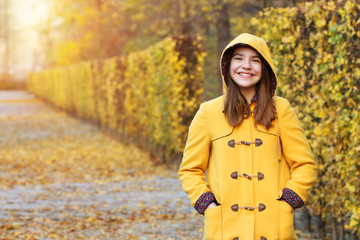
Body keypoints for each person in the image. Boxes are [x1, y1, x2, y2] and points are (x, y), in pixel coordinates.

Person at [178, 33, 318, 240]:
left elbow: (305, 164)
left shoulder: (281, 109)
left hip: (273, 228)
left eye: (255, 60)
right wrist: (207, 203)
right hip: (225, 227)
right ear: (227, 65)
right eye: (239, 58)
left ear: (265, 68)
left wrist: (289, 200)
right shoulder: (208, 112)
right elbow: (190, 169)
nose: (246, 66)